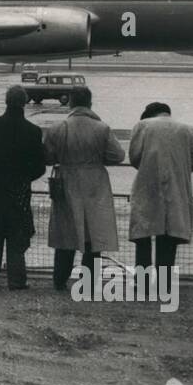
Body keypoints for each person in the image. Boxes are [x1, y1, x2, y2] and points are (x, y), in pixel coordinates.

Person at [42, 86, 124, 291]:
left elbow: (47, 157)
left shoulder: (58, 127)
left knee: (65, 234)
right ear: (90, 103)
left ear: (70, 102)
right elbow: (118, 156)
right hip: (95, 182)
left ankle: (59, 280)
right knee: (93, 234)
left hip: (67, 180)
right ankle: (89, 283)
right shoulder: (102, 128)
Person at [0, 85, 47, 290]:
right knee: (17, 237)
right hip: (19, 191)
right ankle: (17, 279)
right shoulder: (33, 131)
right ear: (24, 103)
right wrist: (24, 179)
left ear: (6, 101)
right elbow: (40, 166)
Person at [127, 102, 193, 273]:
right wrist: (181, 167)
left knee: (143, 236)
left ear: (148, 115)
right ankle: (164, 284)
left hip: (147, 187)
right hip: (175, 188)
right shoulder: (186, 129)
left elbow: (134, 157)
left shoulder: (142, 126)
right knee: (169, 236)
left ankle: (143, 283)